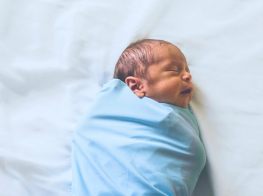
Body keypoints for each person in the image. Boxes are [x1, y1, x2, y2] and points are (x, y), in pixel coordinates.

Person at [70, 39, 206, 196]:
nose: (188, 76)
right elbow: (89, 134)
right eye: (174, 70)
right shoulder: (108, 115)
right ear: (136, 86)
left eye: (187, 70)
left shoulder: (179, 120)